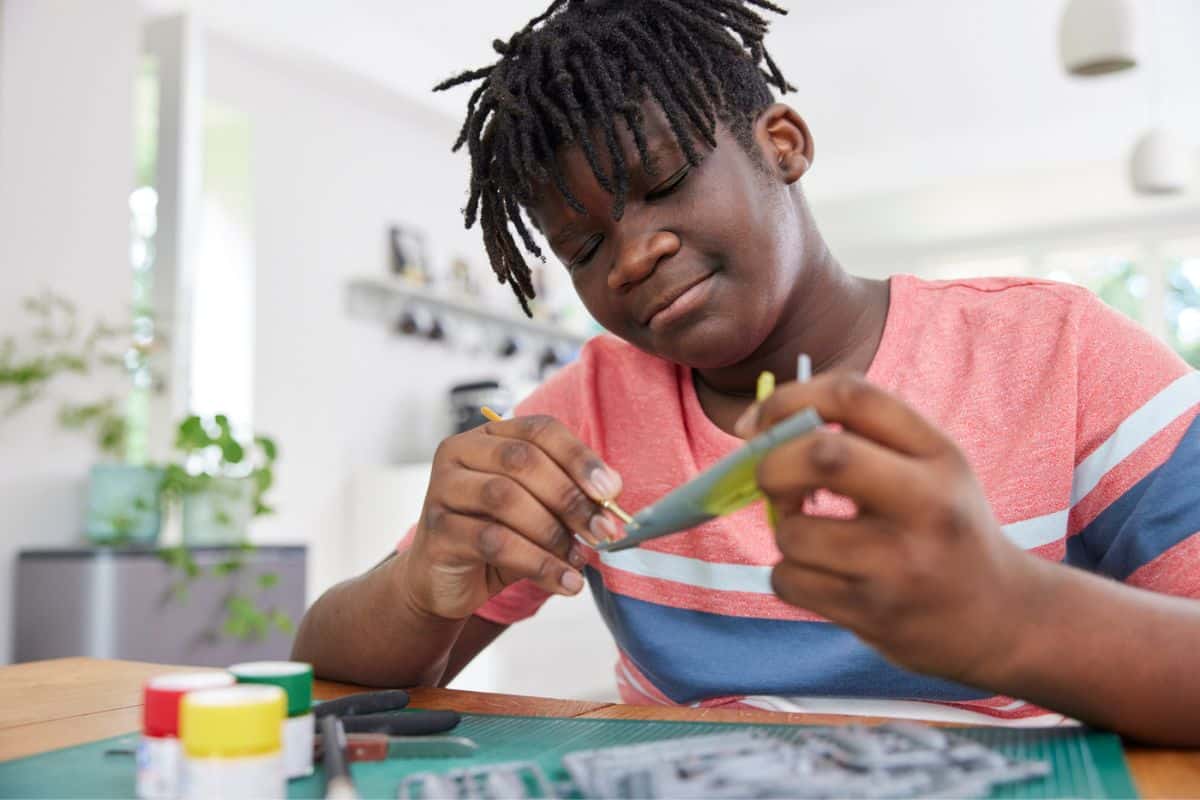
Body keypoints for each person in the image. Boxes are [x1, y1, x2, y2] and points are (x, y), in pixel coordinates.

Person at [293, 0, 1200, 745]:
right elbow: (329, 670)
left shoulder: (1060, 353)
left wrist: (1017, 616)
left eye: (662, 182)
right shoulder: (587, 415)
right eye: (583, 248)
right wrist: (421, 588)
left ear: (784, 144)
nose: (633, 257)